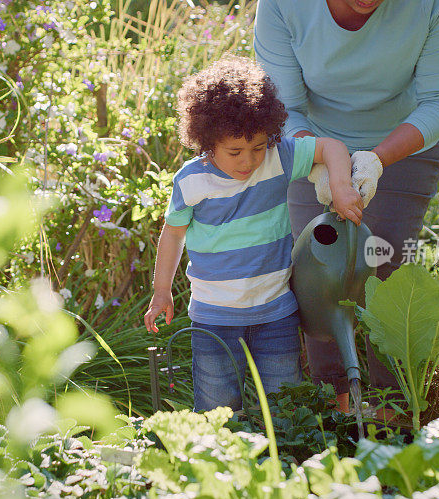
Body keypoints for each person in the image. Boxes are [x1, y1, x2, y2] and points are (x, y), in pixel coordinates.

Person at [254, 0, 439, 412]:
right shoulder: (283, 5)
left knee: (384, 266)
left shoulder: (432, 4)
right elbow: (283, 107)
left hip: (405, 144)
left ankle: (392, 410)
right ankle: (335, 411)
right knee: (318, 273)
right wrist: (322, 160)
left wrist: (377, 160)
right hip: (309, 140)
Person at [142, 55, 365, 412]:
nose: (248, 160)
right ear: (207, 141)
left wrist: (340, 185)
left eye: (258, 147)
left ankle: (284, 467)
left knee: (285, 411)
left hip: (275, 314)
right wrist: (161, 290)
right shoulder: (191, 180)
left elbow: (331, 147)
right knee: (218, 414)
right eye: (235, 151)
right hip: (213, 320)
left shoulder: (279, 158)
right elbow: (172, 235)